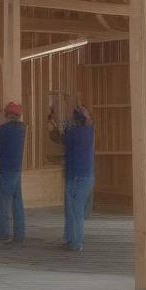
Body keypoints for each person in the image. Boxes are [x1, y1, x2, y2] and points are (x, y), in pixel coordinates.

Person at [49, 105, 95, 251]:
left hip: (75, 176)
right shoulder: (89, 131)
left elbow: (58, 138)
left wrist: (52, 123)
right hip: (84, 175)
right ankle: (71, 240)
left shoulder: (74, 133)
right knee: (73, 209)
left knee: (74, 210)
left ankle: (76, 243)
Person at [0, 101, 26, 244]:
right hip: (17, 170)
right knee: (17, 203)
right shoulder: (22, 128)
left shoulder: (5, 129)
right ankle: (19, 235)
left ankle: (3, 234)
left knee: (3, 204)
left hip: (4, 171)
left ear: (8, 115)